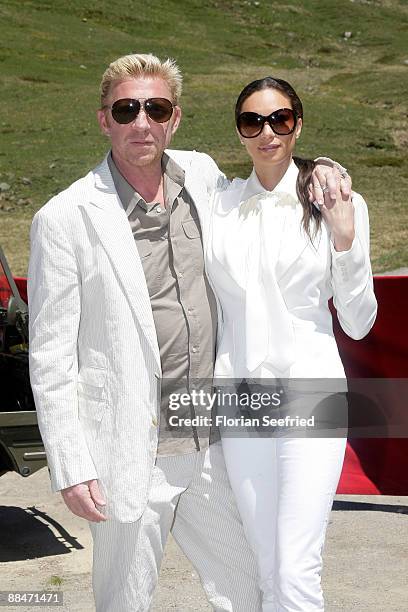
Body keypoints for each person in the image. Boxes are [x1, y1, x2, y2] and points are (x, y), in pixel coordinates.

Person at [28, 54, 351, 612]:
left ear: (174, 117)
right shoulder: (65, 218)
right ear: (104, 119)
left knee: (251, 588)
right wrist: (70, 464)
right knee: (125, 600)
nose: (141, 123)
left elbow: (270, 170)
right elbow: (51, 356)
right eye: (126, 109)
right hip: (130, 449)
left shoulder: (201, 178)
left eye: (155, 108)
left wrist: (323, 164)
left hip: (210, 436)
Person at [205, 76, 378, 611]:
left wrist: (345, 241)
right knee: (265, 563)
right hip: (240, 396)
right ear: (238, 131)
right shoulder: (220, 202)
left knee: (297, 566)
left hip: (310, 390)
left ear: (297, 124)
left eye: (280, 119)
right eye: (252, 121)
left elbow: (359, 322)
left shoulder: (338, 201)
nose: (267, 133)